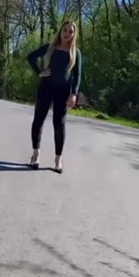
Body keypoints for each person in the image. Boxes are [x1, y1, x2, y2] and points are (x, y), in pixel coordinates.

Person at [26, 20, 82, 174]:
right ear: (60, 31)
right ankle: (35, 155)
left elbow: (77, 75)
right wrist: (39, 72)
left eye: (70, 31)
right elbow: (31, 57)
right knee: (39, 120)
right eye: (65, 30)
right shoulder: (49, 47)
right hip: (46, 88)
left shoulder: (75, 53)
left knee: (59, 124)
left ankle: (58, 159)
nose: (67, 33)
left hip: (63, 92)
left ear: (74, 35)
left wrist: (74, 94)